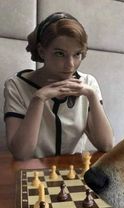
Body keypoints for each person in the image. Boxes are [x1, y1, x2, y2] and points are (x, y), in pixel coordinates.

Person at [3, 12, 113, 160]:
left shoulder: (88, 83)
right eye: (60, 54)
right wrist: (38, 98)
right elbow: (21, 153)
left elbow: (106, 145)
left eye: (77, 54)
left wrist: (92, 95)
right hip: (33, 175)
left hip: (72, 173)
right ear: (42, 51)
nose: (70, 64)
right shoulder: (16, 86)